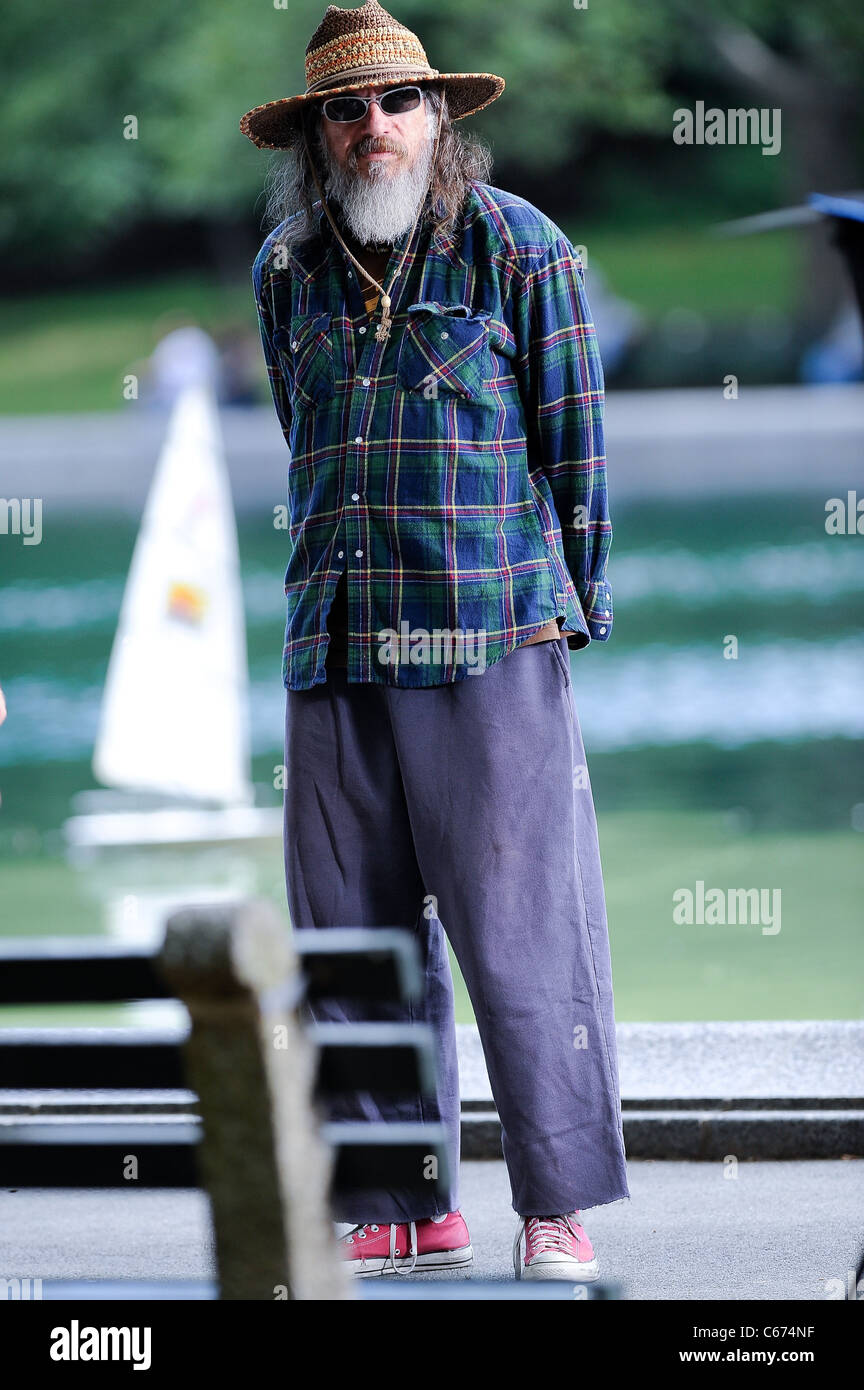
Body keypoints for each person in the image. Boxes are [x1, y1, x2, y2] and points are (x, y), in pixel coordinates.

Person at [241, 0, 629, 1282]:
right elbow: (308, 441)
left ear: (439, 115)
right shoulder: (285, 269)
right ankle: (406, 1203)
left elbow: (578, 458)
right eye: (344, 111)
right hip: (336, 641)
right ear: (314, 136)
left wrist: (570, 615)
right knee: (350, 936)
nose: (372, 129)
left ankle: (555, 1210)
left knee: (523, 934)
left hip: (489, 637)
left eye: (395, 102)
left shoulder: (523, 250)